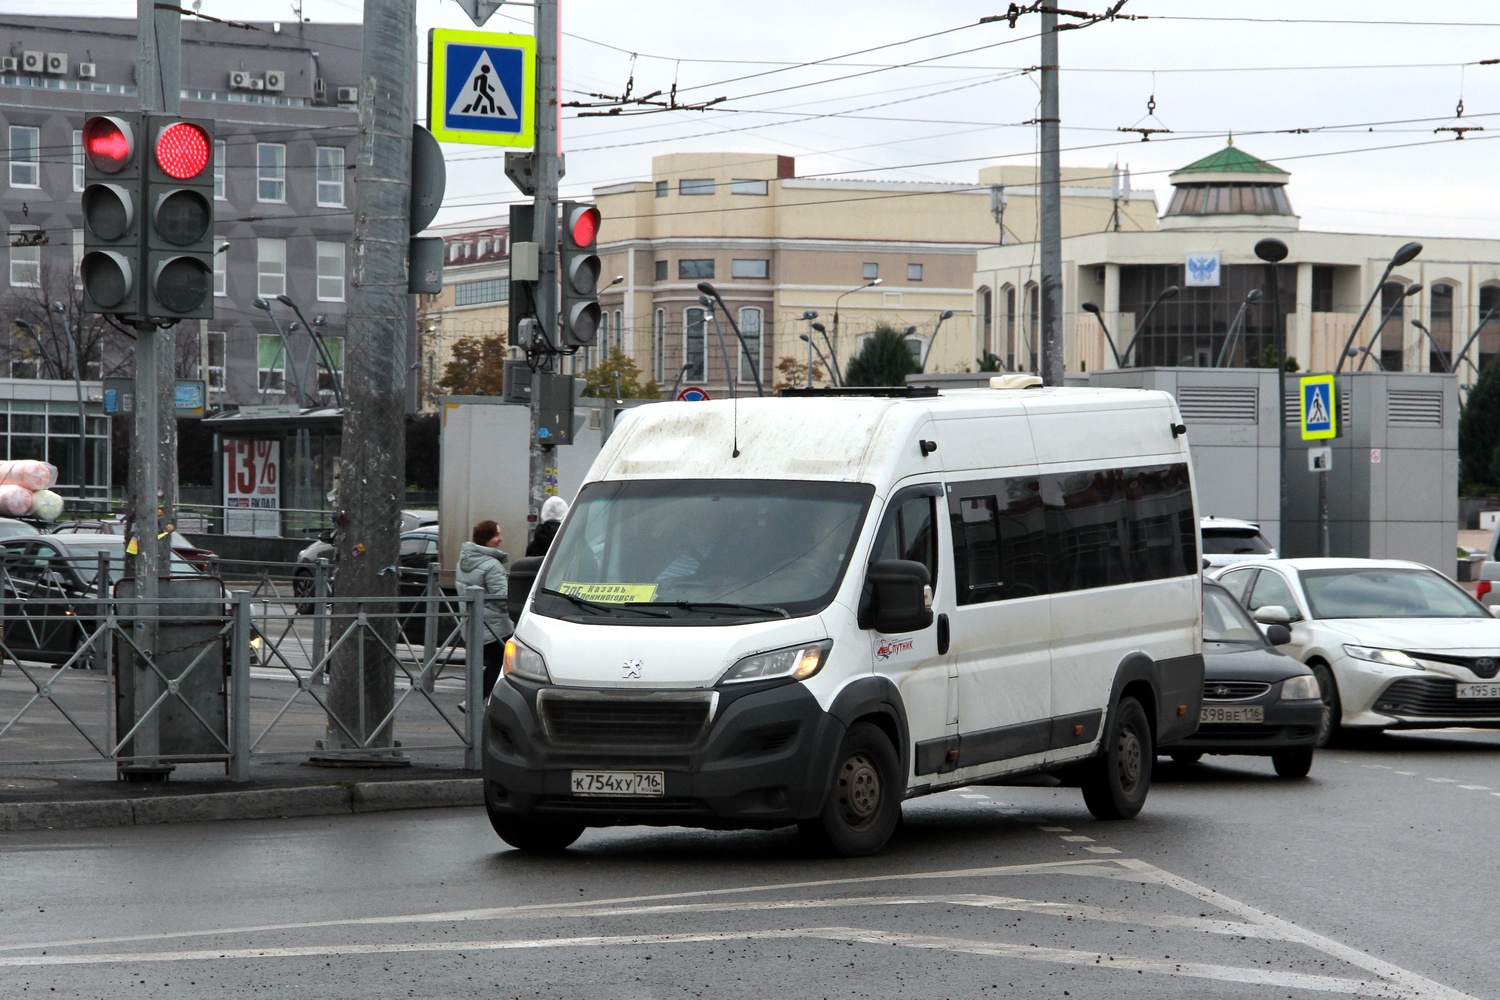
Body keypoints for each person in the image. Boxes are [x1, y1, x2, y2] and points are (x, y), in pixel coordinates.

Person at [456, 519, 512, 708]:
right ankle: (478, 701)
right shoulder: (492, 565)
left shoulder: (463, 561)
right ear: (486, 538)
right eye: (496, 534)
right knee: (507, 660)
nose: (500, 538)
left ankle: (475, 700)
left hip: (472, 624)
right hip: (494, 627)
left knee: (495, 662)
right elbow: (502, 599)